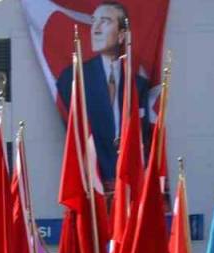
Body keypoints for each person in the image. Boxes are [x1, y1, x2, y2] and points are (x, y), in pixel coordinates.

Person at [54, 1, 151, 184]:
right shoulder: (73, 79)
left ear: (122, 35)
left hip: (128, 181)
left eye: (105, 21)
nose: (95, 29)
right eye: (94, 21)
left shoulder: (138, 85)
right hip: (92, 179)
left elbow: (143, 136)